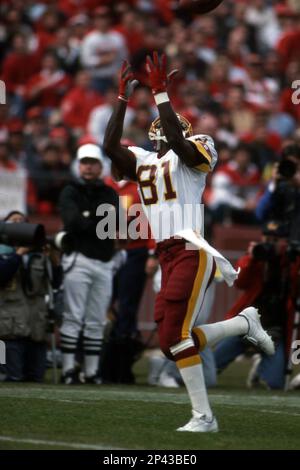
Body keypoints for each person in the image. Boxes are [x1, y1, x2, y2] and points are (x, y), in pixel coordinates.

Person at [103, 52, 275, 433]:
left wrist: (162, 94)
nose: (164, 131)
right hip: (165, 252)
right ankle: (242, 323)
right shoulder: (143, 159)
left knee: (176, 338)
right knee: (168, 342)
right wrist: (122, 100)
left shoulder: (197, 147)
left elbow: (181, 146)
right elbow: (110, 147)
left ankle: (204, 417)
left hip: (191, 248)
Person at [59, 143, 119, 384]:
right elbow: (73, 222)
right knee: (73, 316)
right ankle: (67, 370)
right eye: (84, 162)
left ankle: (91, 372)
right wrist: (93, 220)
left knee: (96, 319)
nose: (88, 167)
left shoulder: (109, 193)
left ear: (101, 166)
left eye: (93, 163)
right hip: (78, 259)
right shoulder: (69, 190)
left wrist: (86, 218)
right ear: (78, 164)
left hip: (104, 261)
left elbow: (111, 223)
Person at [0, 211, 62, 382]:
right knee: (13, 377)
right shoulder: (2, 252)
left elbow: (55, 283)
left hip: (36, 327)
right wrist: (18, 254)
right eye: (14, 221)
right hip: (9, 330)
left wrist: (55, 259)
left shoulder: (38, 255)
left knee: (36, 377)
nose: (19, 224)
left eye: (22, 221)